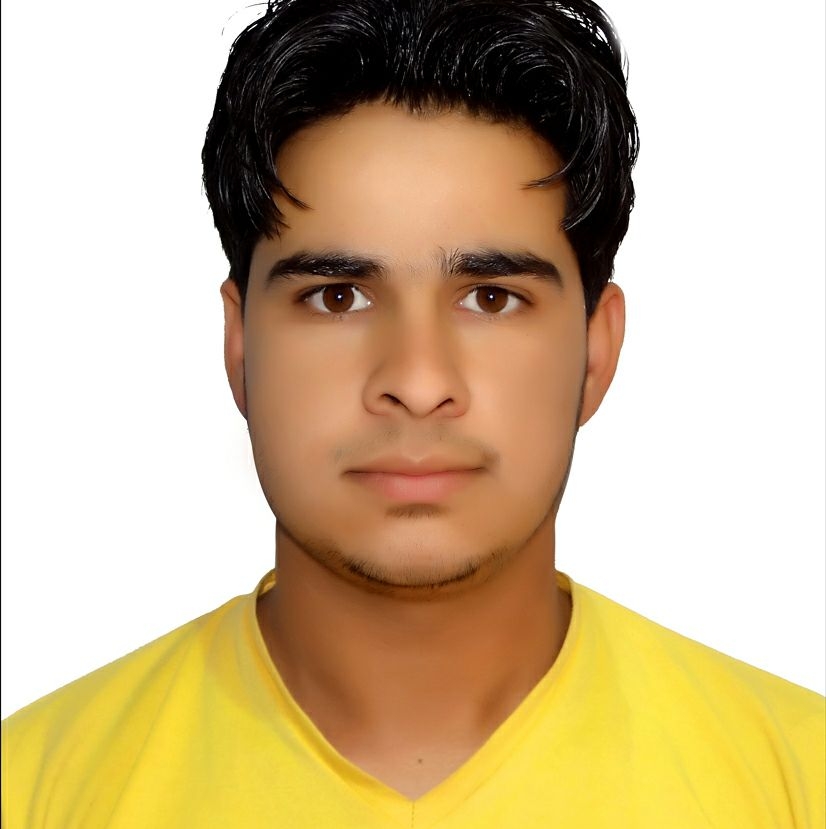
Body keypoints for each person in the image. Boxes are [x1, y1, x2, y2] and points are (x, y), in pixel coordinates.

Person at [2, 0, 823, 825]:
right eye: (338, 296)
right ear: (240, 344)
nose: (419, 381)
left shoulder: (799, 781)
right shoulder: (32, 788)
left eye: (492, 297)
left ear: (596, 349)